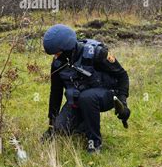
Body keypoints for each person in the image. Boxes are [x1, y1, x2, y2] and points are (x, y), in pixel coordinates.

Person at [41, 24, 130, 153]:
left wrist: (123, 102)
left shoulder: (98, 53)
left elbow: (122, 76)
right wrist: (51, 125)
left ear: (67, 48)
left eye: (58, 53)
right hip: (79, 100)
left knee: (87, 97)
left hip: (107, 95)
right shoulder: (58, 64)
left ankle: (94, 142)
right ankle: (83, 125)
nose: (55, 56)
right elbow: (56, 93)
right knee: (60, 129)